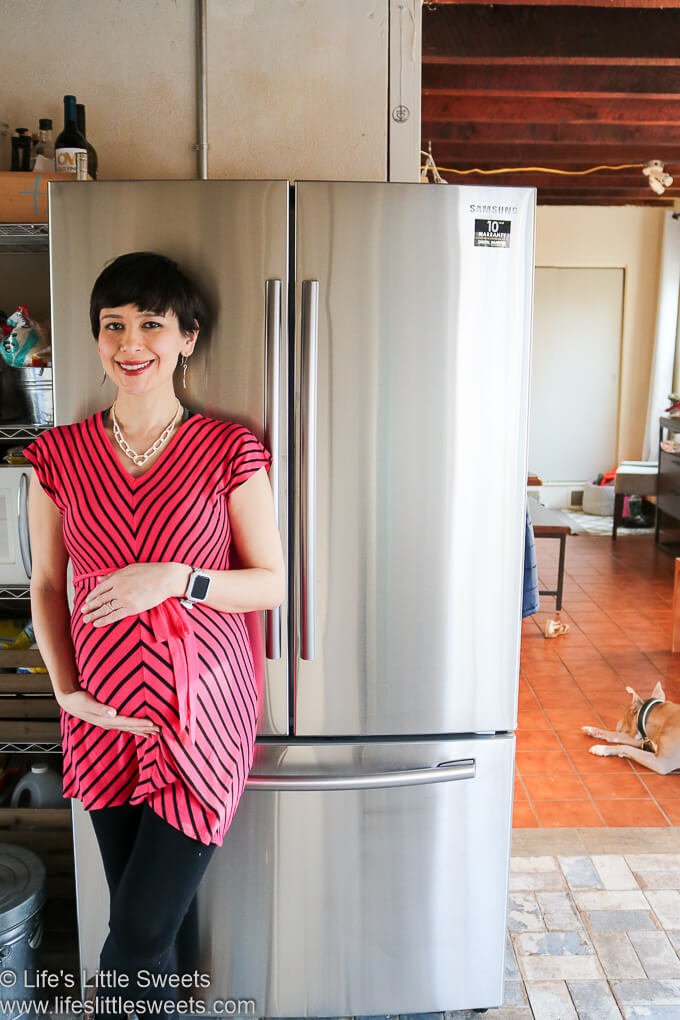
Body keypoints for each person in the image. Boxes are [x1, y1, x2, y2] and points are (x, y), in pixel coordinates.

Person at [23, 251, 285, 1017]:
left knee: (136, 930)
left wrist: (178, 577)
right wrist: (67, 692)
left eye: (150, 323)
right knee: (143, 926)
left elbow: (272, 583)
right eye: (113, 325)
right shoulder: (57, 457)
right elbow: (45, 584)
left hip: (200, 721)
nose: (130, 342)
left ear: (186, 339)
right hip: (101, 721)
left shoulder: (229, 451)